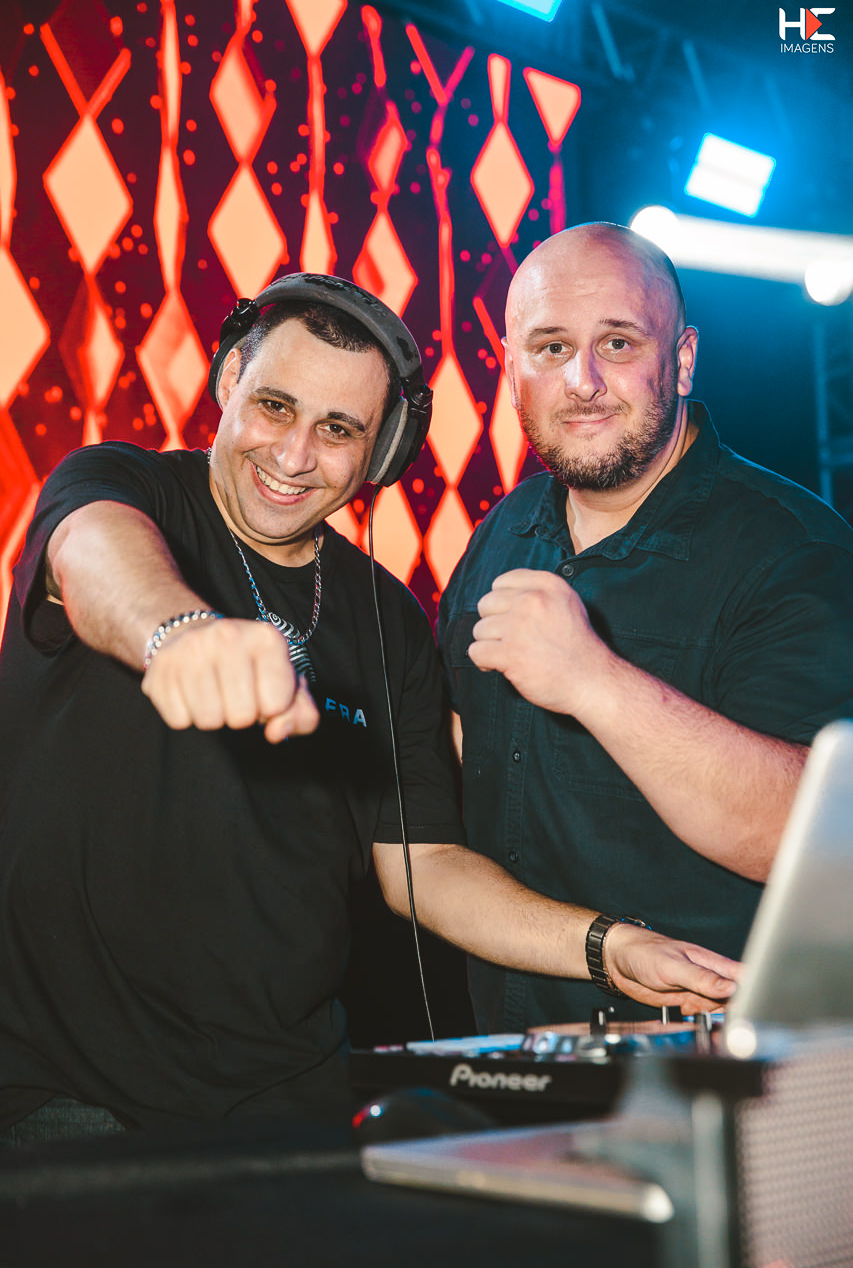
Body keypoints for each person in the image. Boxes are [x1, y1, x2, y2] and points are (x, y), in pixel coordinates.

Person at [0, 273, 738, 1142]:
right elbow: (93, 554)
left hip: (292, 1093)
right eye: (274, 406)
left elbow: (424, 866)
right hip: (70, 1099)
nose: (293, 456)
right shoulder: (127, 488)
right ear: (230, 380)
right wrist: (179, 632)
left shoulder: (387, 619)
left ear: (381, 451)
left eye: (338, 429)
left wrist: (607, 946)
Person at [438, 223, 853, 1032]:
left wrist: (592, 679)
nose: (582, 381)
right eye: (551, 348)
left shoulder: (794, 551)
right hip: (515, 1044)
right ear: (511, 366)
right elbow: (459, 755)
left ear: (682, 359)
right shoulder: (502, 531)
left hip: (718, 1063)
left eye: (618, 343)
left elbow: (817, 841)